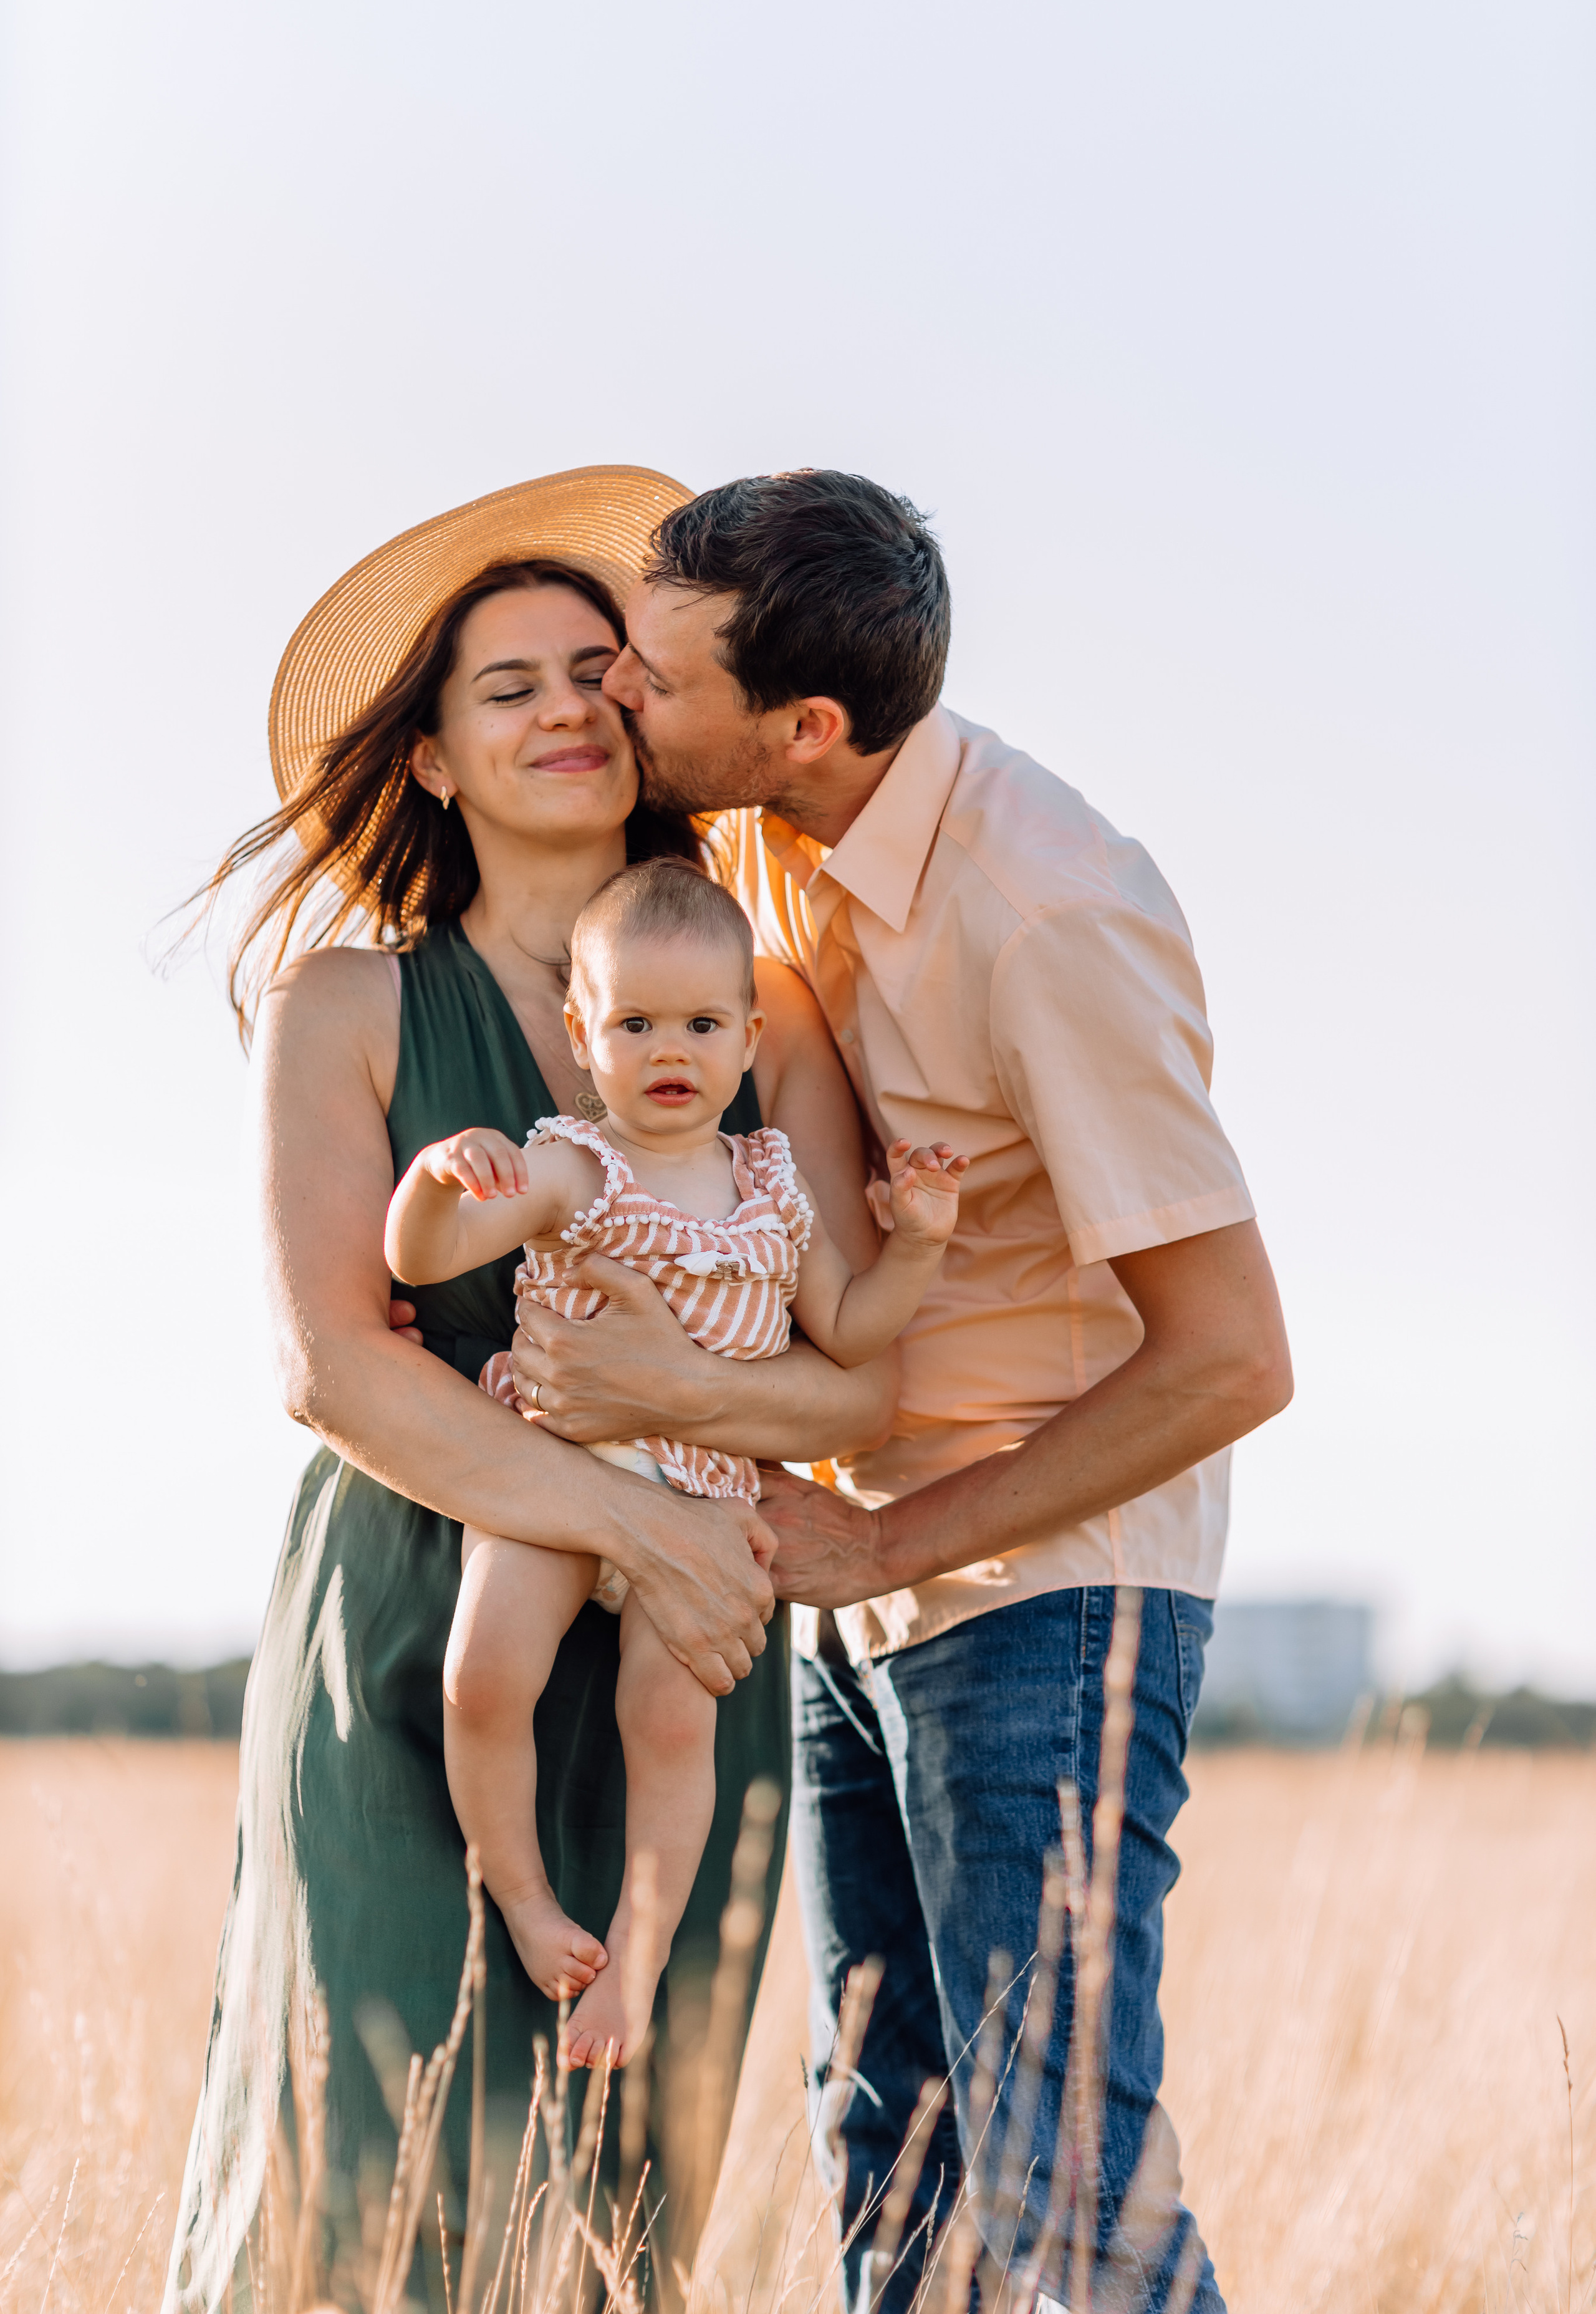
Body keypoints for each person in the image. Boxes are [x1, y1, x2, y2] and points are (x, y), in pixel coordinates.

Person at [507, 470, 1294, 2314]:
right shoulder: (778, 824)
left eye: (657, 678)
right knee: (898, 2175)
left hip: (1044, 1589)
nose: (620, 693)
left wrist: (889, 1545)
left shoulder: (1045, 913)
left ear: (806, 725)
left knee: (1065, 2197)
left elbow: (1236, 1353)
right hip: (859, 1566)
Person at [164, 468, 898, 2314]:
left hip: (682, 1653)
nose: (570, 706)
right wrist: (644, 1516)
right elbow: (332, 1370)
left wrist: (688, 1465)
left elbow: (857, 1381)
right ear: (425, 757)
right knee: (362, 2176)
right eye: (509, 687)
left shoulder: (772, 1013)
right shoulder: (344, 1006)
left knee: (609, 2208)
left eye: (596, 669)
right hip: (419, 1639)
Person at [387, 857, 967, 2072]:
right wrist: (436, 1189)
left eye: (702, 1023)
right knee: (485, 1674)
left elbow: (853, 1330)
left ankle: (634, 1964)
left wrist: (915, 1247)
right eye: (634, 1022)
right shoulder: (569, 1166)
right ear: (579, 1034)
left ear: (749, 1038)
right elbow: (430, 1255)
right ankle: (526, 1900)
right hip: (565, 1472)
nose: (671, 1049)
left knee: (667, 1722)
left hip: (703, 1498)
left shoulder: (767, 1186)